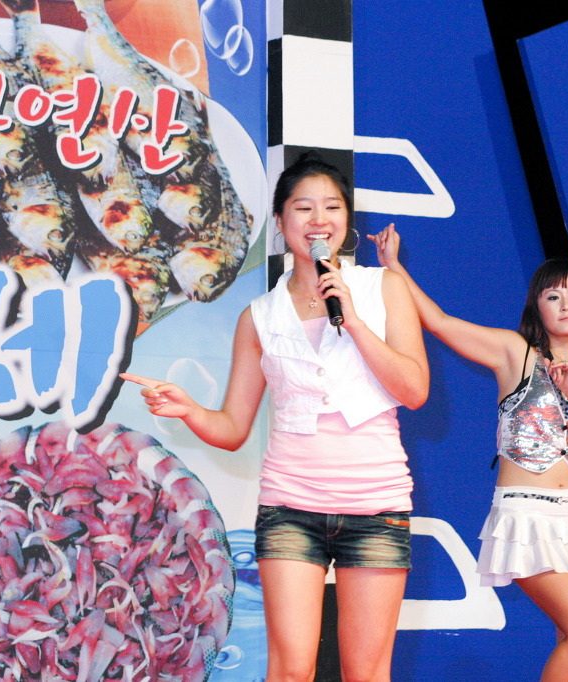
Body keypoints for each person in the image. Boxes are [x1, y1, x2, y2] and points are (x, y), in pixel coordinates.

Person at [121, 153, 429, 682]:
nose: (319, 219)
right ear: (281, 223)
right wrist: (190, 410)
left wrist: (354, 322)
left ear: (347, 219)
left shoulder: (384, 289)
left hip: (375, 504)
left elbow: (415, 389)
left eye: (332, 207)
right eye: (303, 208)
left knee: (367, 672)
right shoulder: (259, 317)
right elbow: (233, 428)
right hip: (291, 507)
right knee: (289, 670)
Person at [369, 224, 568, 682]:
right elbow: (440, 323)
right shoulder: (515, 353)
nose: (566, 305)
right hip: (526, 515)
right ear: (537, 307)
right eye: (553, 296)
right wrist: (394, 268)